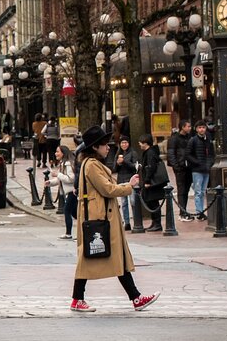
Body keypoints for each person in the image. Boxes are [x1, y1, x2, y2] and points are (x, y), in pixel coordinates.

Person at [70, 125, 159, 313]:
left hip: (102, 217)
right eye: (104, 144)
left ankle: (135, 298)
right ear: (95, 147)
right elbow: (107, 189)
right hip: (99, 218)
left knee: (111, 257)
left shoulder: (92, 164)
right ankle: (79, 299)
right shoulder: (92, 165)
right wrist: (129, 185)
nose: (108, 147)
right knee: (92, 258)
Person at [45, 145, 76, 239]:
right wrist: (50, 182)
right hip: (68, 192)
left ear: (63, 153)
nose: (56, 154)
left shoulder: (68, 164)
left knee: (67, 211)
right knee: (75, 213)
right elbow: (60, 179)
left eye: (57, 152)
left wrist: (58, 174)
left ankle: (68, 233)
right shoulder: (63, 164)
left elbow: (71, 179)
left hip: (72, 192)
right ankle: (83, 231)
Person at [186, 120, 215, 221]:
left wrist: (210, 163)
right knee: (198, 192)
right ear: (196, 129)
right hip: (197, 170)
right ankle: (199, 212)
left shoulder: (208, 139)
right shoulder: (193, 140)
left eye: (203, 127)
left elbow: (211, 153)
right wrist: (197, 162)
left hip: (206, 169)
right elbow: (188, 154)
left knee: (203, 191)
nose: (202, 129)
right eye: (199, 127)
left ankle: (201, 211)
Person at [138, 134, 166, 232]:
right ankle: (154, 223)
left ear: (145, 143)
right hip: (152, 182)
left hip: (152, 183)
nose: (139, 144)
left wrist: (147, 180)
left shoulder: (150, 153)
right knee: (151, 202)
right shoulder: (149, 152)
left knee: (153, 203)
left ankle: (157, 223)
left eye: (141, 142)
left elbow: (151, 167)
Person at [167, 120, 194, 221]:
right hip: (180, 167)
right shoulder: (174, 139)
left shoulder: (189, 138)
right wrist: (176, 166)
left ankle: (184, 211)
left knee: (186, 190)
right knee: (181, 189)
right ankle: (182, 213)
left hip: (188, 167)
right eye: (188, 126)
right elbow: (171, 154)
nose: (190, 128)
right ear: (183, 127)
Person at [112, 135, 138, 230]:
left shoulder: (133, 153)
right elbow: (114, 169)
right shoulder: (118, 154)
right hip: (121, 180)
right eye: (122, 143)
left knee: (133, 201)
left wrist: (124, 162)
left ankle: (136, 221)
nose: (124, 144)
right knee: (123, 203)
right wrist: (118, 163)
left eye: (126, 142)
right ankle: (127, 222)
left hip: (130, 179)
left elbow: (135, 167)